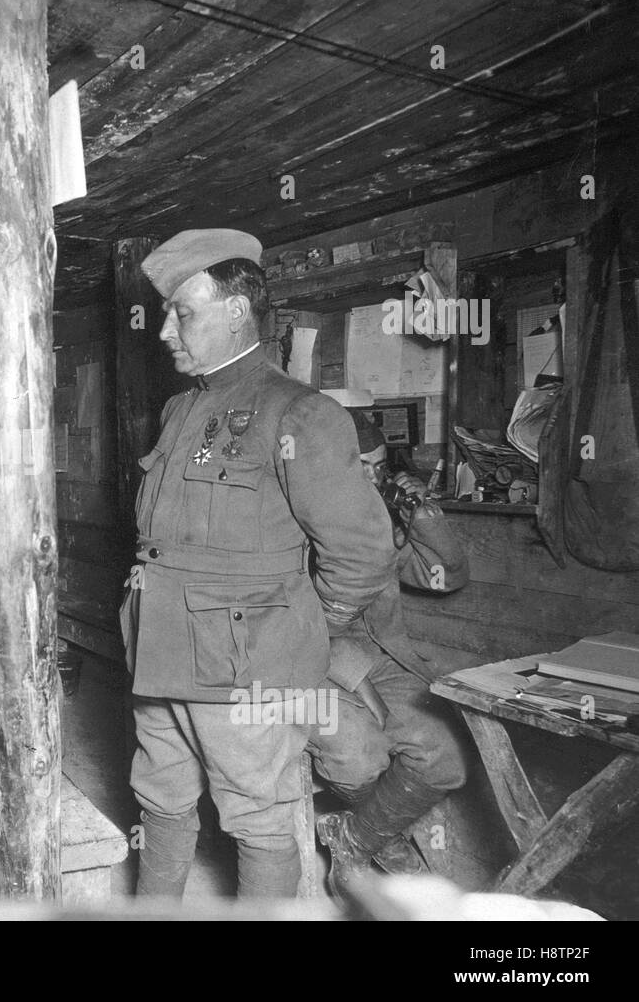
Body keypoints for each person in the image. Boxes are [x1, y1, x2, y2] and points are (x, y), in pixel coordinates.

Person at [121, 228, 397, 899]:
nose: (163, 331)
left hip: (247, 666)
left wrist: (297, 626)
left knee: (259, 818)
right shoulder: (179, 408)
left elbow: (361, 552)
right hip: (158, 649)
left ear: (237, 310)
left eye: (181, 312)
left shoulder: (301, 413)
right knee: (160, 798)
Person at [311, 410, 470, 896]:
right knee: (359, 755)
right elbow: (299, 627)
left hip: (379, 657)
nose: (374, 477)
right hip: (308, 666)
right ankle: (387, 838)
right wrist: (365, 690)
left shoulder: (375, 515)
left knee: (445, 753)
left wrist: (423, 515)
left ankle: (356, 838)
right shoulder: (294, 517)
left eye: (379, 465)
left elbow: (445, 577)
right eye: (362, 465)